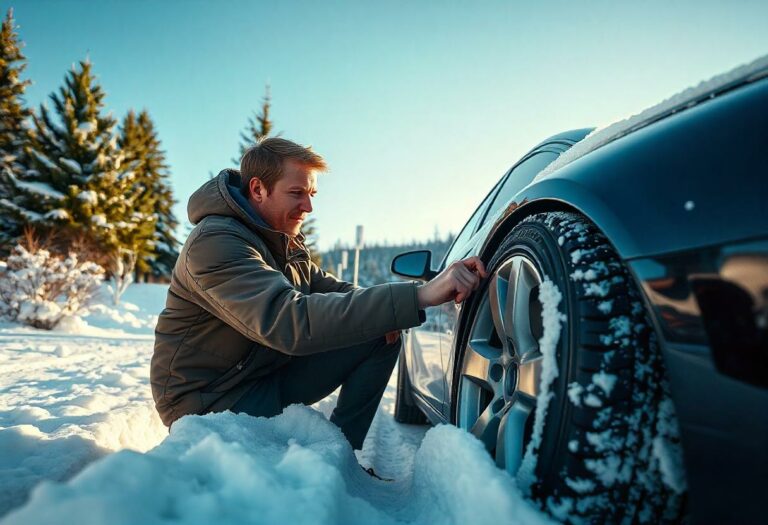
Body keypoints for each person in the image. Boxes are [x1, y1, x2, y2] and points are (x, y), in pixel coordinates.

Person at [150, 137, 487, 454]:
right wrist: (422, 296)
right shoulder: (216, 242)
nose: (308, 206)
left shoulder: (282, 241)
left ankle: (338, 456)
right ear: (258, 190)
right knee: (376, 319)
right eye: (297, 192)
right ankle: (328, 461)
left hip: (262, 375)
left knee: (381, 332)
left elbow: (339, 293)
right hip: (209, 398)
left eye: (311, 193)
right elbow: (288, 321)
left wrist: (417, 293)